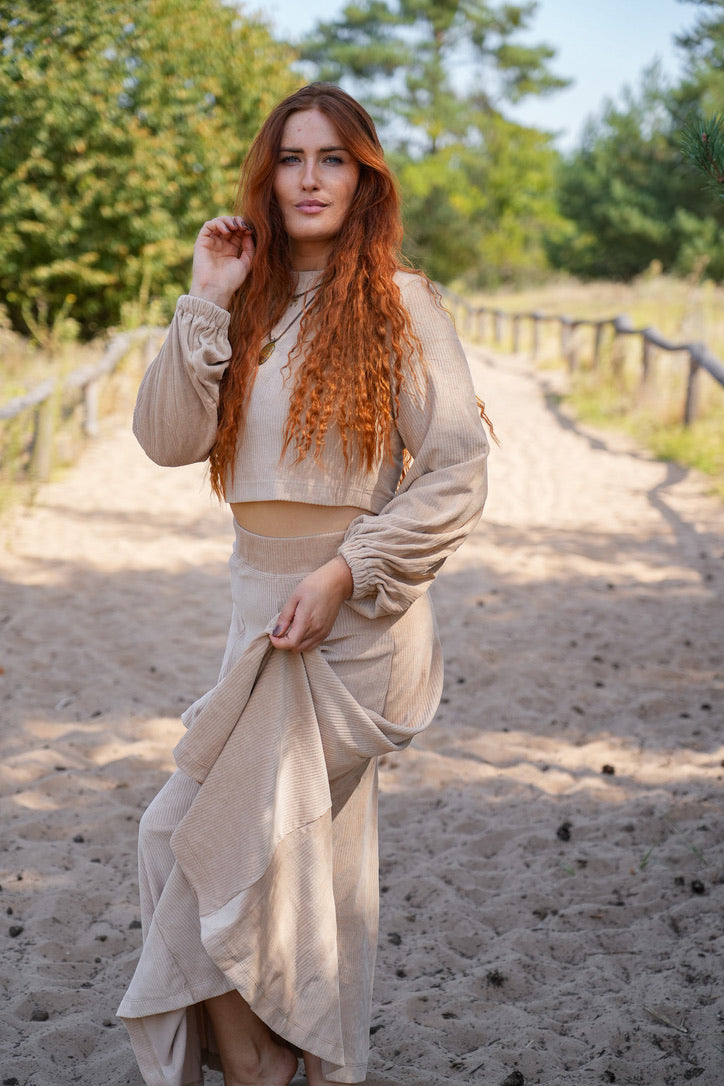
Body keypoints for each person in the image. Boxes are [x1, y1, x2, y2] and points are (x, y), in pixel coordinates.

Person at [118, 82, 490, 1086]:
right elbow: (167, 440)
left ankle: (262, 1074)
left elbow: (457, 470)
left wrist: (347, 570)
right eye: (291, 158)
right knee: (272, 871)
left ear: (362, 176)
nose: (310, 178)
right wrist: (207, 294)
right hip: (258, 612)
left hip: (353, 621)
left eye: (332, 158)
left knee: (184, 837)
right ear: (267, 175)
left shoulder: (400, 304)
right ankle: (276, 1067)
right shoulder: (251, 302)